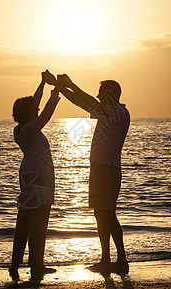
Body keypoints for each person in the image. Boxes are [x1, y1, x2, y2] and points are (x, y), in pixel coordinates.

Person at [54, 74, 130, 276]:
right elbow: (84, 102)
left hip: (109, 168)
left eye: (101, 92)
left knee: (108, 214)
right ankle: (106, 259)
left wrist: (69, 85)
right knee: (100, 214)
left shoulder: (119, 113)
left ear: (110, 95)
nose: (98, 95)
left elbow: (87, 101)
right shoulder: (106, 112)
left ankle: (121, 259)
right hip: (99, 168)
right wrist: (61, 87)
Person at [9, 70, 60, 283]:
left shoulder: (22, 128)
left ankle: (16, 264)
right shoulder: (31, 127)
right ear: (30, 113)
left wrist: (41, 84)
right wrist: (56, 91)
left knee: (24, 221)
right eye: (34, 109)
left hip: (29, 177)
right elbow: (45, 112)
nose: (37, 109)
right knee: (38, 222)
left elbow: (34, 104)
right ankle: (36, 265)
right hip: (39, 179)